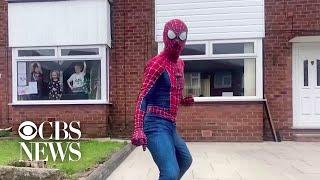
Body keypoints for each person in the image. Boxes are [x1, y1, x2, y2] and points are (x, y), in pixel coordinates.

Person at [131, 19, 194, 180]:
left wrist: (182, 100)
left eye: (182, 37)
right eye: (173, 36)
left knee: (185, 160)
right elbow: (143, 96)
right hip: (154, 124)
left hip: (170, 125)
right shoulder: (156, 64)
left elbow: (170, 92)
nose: (177, 41)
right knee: (170, 172)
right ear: (166, 36)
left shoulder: (180, 64)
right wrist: (138, 128)